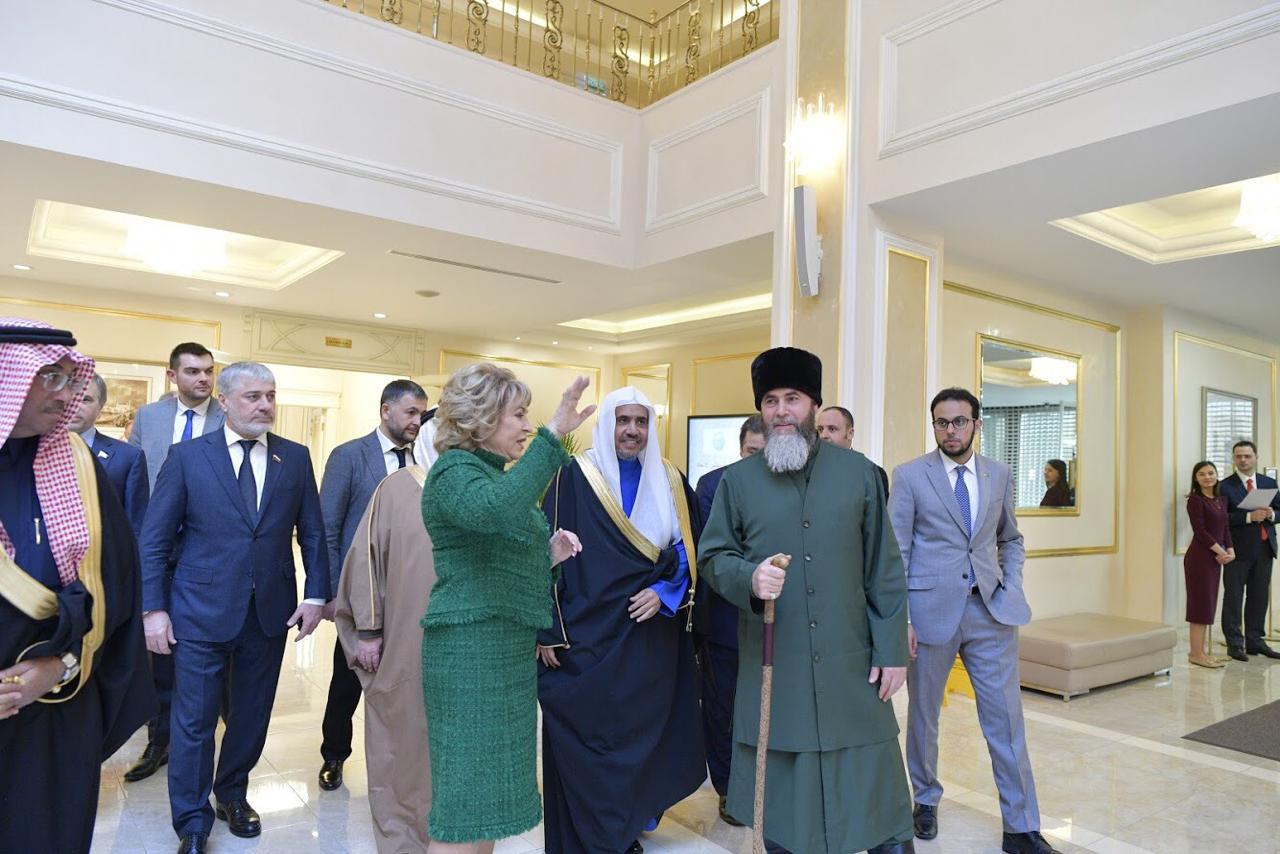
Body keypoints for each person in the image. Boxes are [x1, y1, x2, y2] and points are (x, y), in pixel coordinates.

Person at [699, 347, 915, 854]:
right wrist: (749, 577)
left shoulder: (860, 474)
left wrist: (891, 651)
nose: (780, 411)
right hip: (779, 664)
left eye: (792, 398)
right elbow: (713, 556)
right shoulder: (737, 482)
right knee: (786, 815)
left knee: (877, 805)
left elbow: (883, 569)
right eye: (770, 400)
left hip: (851, 664)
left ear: (814, 404)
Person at [139, 361, 330, 854]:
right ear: (223, 401)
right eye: (253, 397)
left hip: (268, 612)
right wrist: (152, 609)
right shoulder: (188, 457)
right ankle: (192, 820)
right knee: (193, 720)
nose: (265, 405)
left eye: (271, 396)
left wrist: (315, 596)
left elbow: (312, 532)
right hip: (198, 610)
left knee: (251, 714)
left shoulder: (294, 457)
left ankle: (232, 794)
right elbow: (154, 540)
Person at [420, 364, 592, 853]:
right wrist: (554, 435)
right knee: (463, 809)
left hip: (504, 654)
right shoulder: (454, 473)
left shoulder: (489, 476)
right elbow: (496, 510)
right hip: (469, 656)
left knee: (488, 806)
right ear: (481, 418)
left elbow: (495, 545)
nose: (527, 426)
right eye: (518, 415)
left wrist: (547, 557)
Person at [0, 319, 154, 854]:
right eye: (50, 377)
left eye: (71, 379)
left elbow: (115, 586)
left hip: (58, 706)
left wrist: (61, 665)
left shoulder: (79, 464)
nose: (66, 394)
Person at [889, 388, 1059, 854]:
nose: (950, 430)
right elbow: (896, 552)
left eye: (959, 421)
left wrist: (1011, 584)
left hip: (991, 611)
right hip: (929, 615)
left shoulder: (998, 474)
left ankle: (1021, 827)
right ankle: (925, 798)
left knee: (1006, 721)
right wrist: (903, 618)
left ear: (976, 424)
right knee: (924, 717)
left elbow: (1011, 539)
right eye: (942, 422)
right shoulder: (909, 476)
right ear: (934, 425)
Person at [537, 386, 706, 854]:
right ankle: (596, 833)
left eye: (641, 421)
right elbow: (541, 554)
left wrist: (664, 592)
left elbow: (690, 549)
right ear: (607, 423)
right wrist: (548, 630)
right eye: (623, 420)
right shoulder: (571, 476)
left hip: (649, 638)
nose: (632, 431)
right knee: (590, 739)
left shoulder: (671, 479)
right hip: (584, 638)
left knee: (642, 740)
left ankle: (626, 827)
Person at [317, 379, 430, 792]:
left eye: (422, 414)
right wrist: (333, 593)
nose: (417, 421)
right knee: (346, 679)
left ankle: (400, 761)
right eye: (411, 412)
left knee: (403, 680)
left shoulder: (426, 458)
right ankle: (334, 755)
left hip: (409, 592)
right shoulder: (350, 456)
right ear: (386, 411)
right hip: (361, 590)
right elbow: (327, 527)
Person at [334, 411, 437, 853]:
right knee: (402, 734)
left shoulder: (480, 493)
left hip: (464, 645)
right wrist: (369, 631)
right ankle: (402, 834)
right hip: (404, 638)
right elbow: (366, 561)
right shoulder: (397, 488)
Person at [124, 341, 224, 783]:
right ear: (172, 376)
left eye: (208, 371)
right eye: (192, 371)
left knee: (209, 656)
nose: (203, 379)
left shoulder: (227, 416)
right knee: (159, 651)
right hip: (159, 548)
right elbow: (135, 478)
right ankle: (159, 741)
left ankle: (205, 745)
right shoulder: (149, 417)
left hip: (209, 550)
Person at [692, 414, 764, 827]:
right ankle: (727, 788)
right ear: (740, 449)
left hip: (772, 621)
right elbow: (713, 552)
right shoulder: (712, 485)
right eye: (751, 451)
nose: (757, 460)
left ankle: (761, 783)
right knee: (722, 708)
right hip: (723, 620)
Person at [67, 373, 150, 537]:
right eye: (69, 397)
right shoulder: (33, 451)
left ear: (100, 407)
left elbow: (135, 524)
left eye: (85, 399)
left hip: (104, 549)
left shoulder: (128, 457)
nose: (74, 405)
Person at [1219, 440, 1280, 661]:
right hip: (1237, 550)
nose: (1243, 460)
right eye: (1238, 456)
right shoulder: (1224, 486)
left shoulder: (1268, 482)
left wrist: (1272, 515)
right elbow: (1220, 519)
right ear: (1233, 459)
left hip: (1264, 548)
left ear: (1255, 457)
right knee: (1234, 598)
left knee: (1259, 597)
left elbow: (1279, 510)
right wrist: (1248, 516)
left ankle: (1255, 641)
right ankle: (1235, 644)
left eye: (1247, 456)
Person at [1184, 461, 1233, 668]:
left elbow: (1225, 527)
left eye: (1211, 473)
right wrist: (1221, 551)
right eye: (1202, 474)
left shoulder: (1221, 500)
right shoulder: (1195, 500)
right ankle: (1196, 654)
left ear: (1216, 475)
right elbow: (1200, 531)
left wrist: (1230, 550)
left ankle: (1201, 652)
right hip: (1200, 558)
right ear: (1196, 478)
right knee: (1200, 605)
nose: (1207, 477)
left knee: (1208, 604)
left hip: (1216, 557)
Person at [816, 405, 889, 495]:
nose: (823, 435)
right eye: (820, 430)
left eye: (832, 429)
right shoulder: (808, 471)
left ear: (850, 434)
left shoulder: (872, 474)